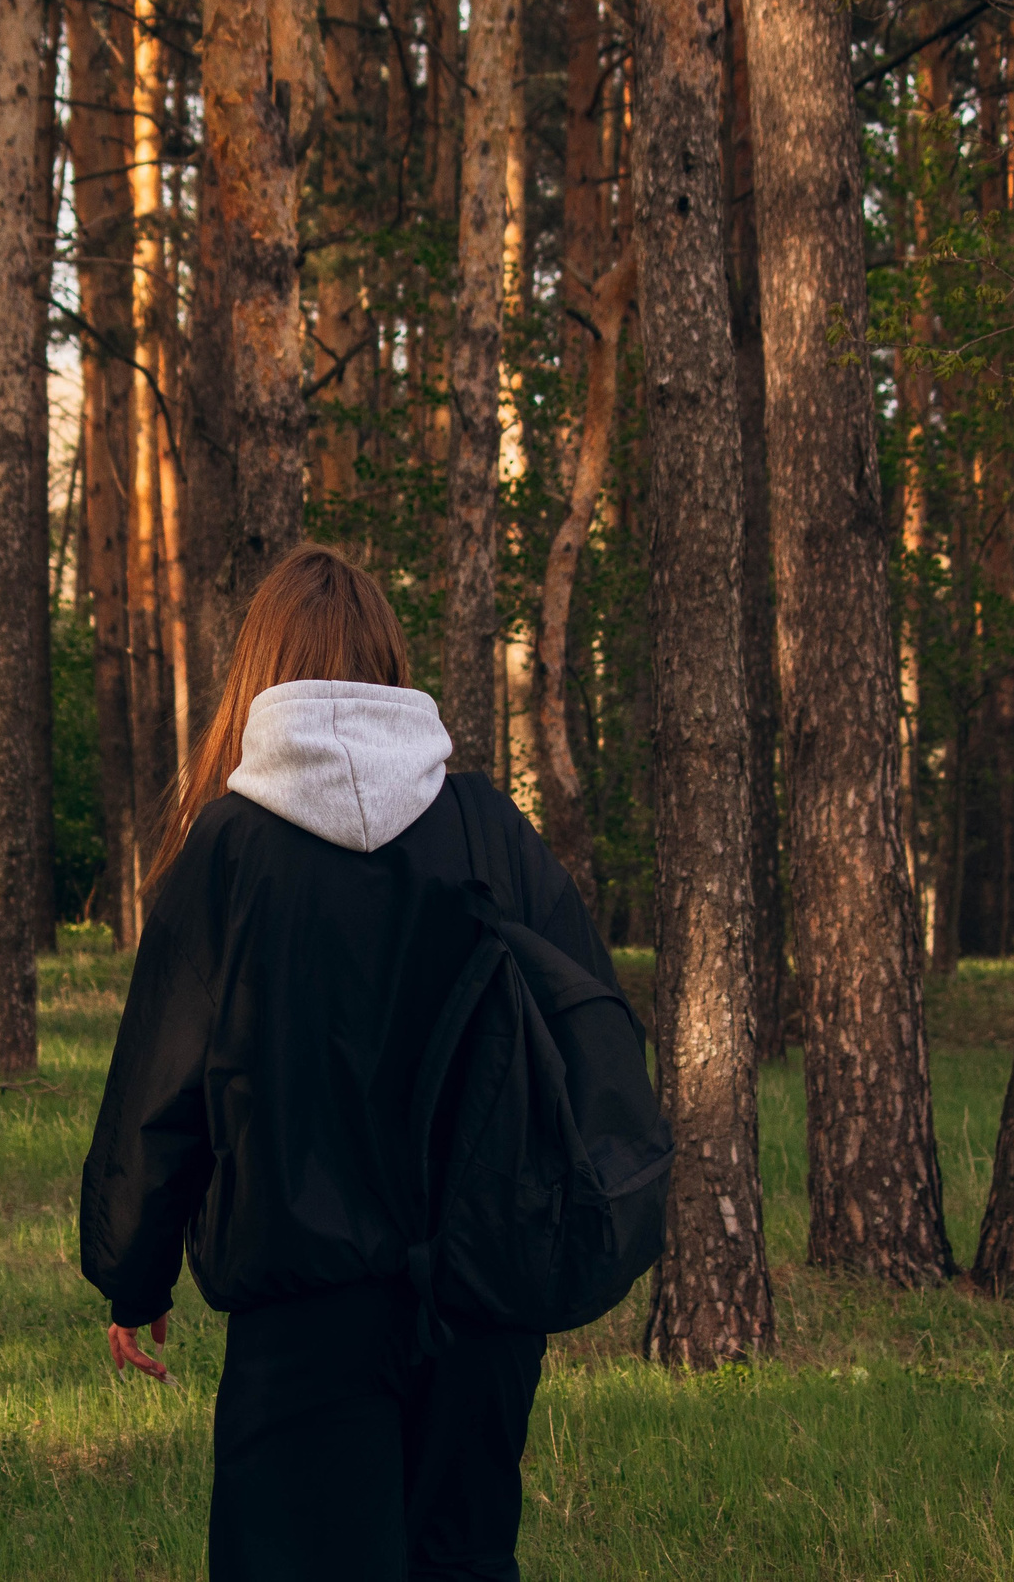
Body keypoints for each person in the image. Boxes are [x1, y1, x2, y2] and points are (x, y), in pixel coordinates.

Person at [79, 542, 626, 1581]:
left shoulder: (231, 848)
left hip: (305, 1322)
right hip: (483, 1310)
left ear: (260, 671)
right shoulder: (488, 833)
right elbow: (589, 1034)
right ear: (388, 664)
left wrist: (132, 1272)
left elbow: (165, 1088)